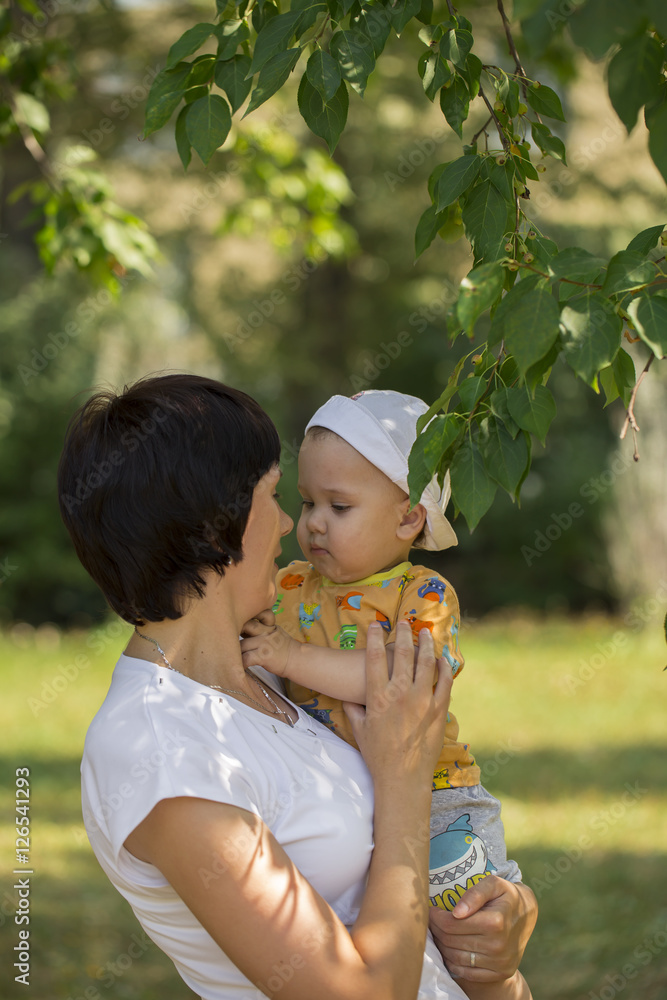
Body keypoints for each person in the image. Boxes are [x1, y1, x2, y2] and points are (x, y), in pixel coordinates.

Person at [58, 373, 535, 1000]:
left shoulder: (268, 673)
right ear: (214, 528)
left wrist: (499, 940)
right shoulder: (162, 750)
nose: (291, 525)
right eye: (277, 496)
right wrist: (404, 779)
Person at [240, 389, 535, 990]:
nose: (313, 522)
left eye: (339, 506)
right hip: (343, 789)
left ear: (407, 518)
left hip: (433, 792)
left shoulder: (422, 595)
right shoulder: (291, 585)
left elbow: (401, 681)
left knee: (467, 930)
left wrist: (291, 656)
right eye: (307, 501)